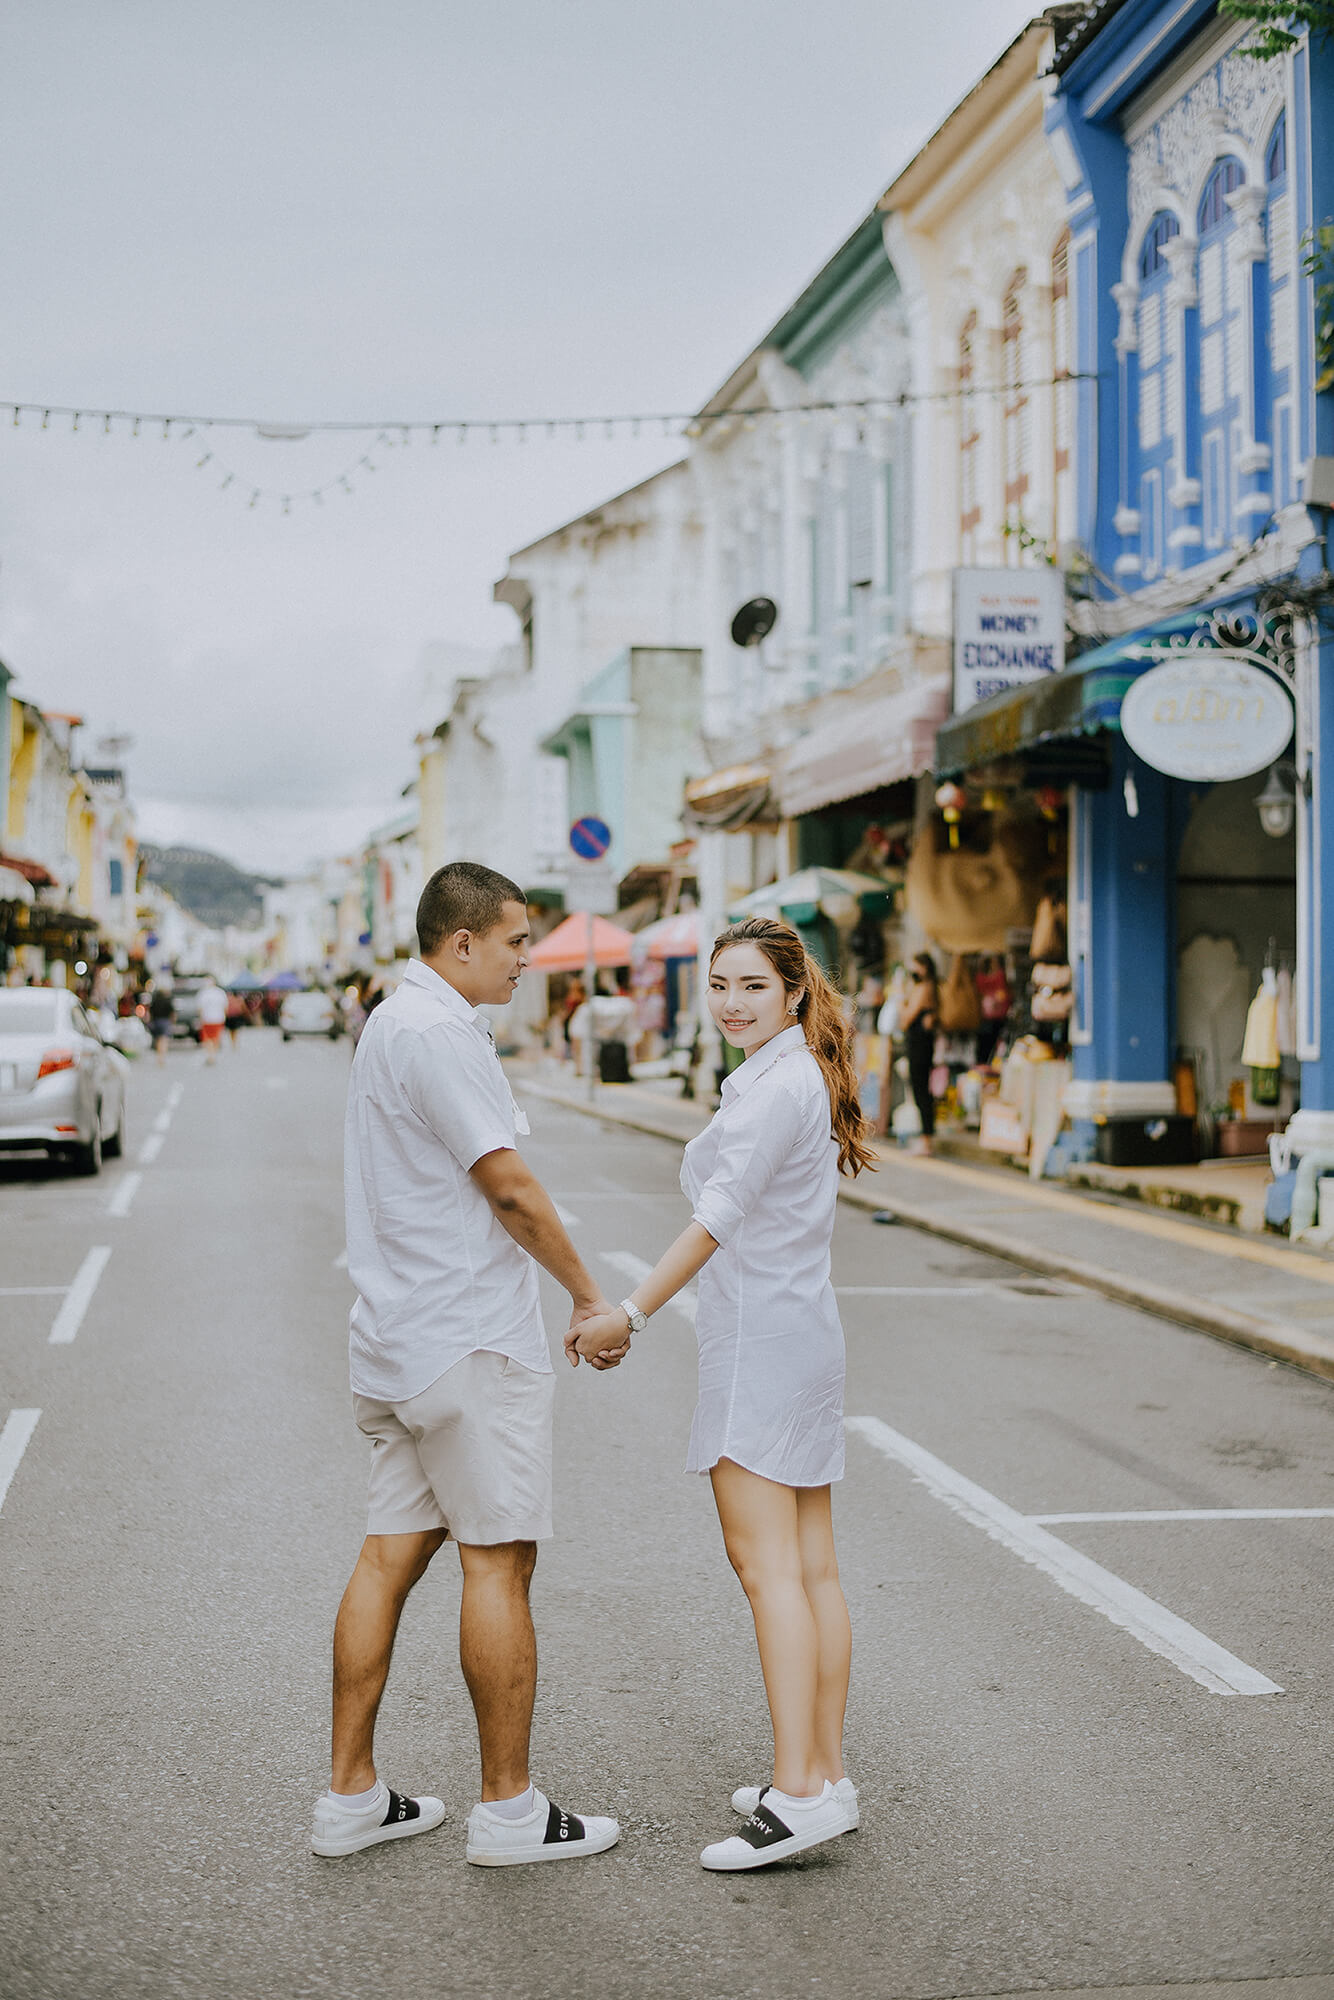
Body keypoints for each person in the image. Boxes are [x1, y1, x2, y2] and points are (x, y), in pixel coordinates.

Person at [313, 861, 624, 1867]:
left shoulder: (391, 1021)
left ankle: (351, 1795)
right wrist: (587, 1295)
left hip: (398, 1341)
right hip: (465, 1341)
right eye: (515, 941)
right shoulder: (438, 1032)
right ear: (460, 943)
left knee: (386, 1556)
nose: (528, 957)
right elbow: (511, 1189)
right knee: (498, 1560)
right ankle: (507, 1811)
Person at [569, 916, 874, 1871]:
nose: (732, 1003)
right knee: (811, 1567)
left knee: (769, 1572)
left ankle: (795, 1794)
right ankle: (823, 1774)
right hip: (801, 1335)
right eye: (720, 985)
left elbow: (714, 1223)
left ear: (793, 993)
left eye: (751, 985)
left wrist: (629, 1311)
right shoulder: (792, 1075)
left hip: (761, 1349)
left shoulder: (773, 1089)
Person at [901, 950, 939, 1155]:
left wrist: (901, 1003)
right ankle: (925, 1137)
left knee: (921, 1090)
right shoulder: (923, 987)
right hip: (919, 1044)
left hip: (920, 1046)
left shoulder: (924, 988)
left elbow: (906, 1018)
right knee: (920, 1090)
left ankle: (926, 1140)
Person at [197, 977, 227, 1064]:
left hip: (207, 1019)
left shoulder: (203, 993)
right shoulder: (220, 992)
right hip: (218, 1018)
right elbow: (225, 1006)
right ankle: (213, 1054)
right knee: (216, 1037)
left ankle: (210, 1055)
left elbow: (200, 1008)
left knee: (208, 1038)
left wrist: (201, 1018)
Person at [147, 979, 174, 1067]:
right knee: (164, 1039)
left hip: (156, 1021)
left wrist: (150, 1021)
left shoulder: (155, 1001)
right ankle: (162, 1056)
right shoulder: (167, 1000)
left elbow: (150, 1012)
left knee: (158, 1039)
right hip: (165, 1021)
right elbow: (172, 1012)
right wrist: (172, 1021)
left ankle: (159, 1056)